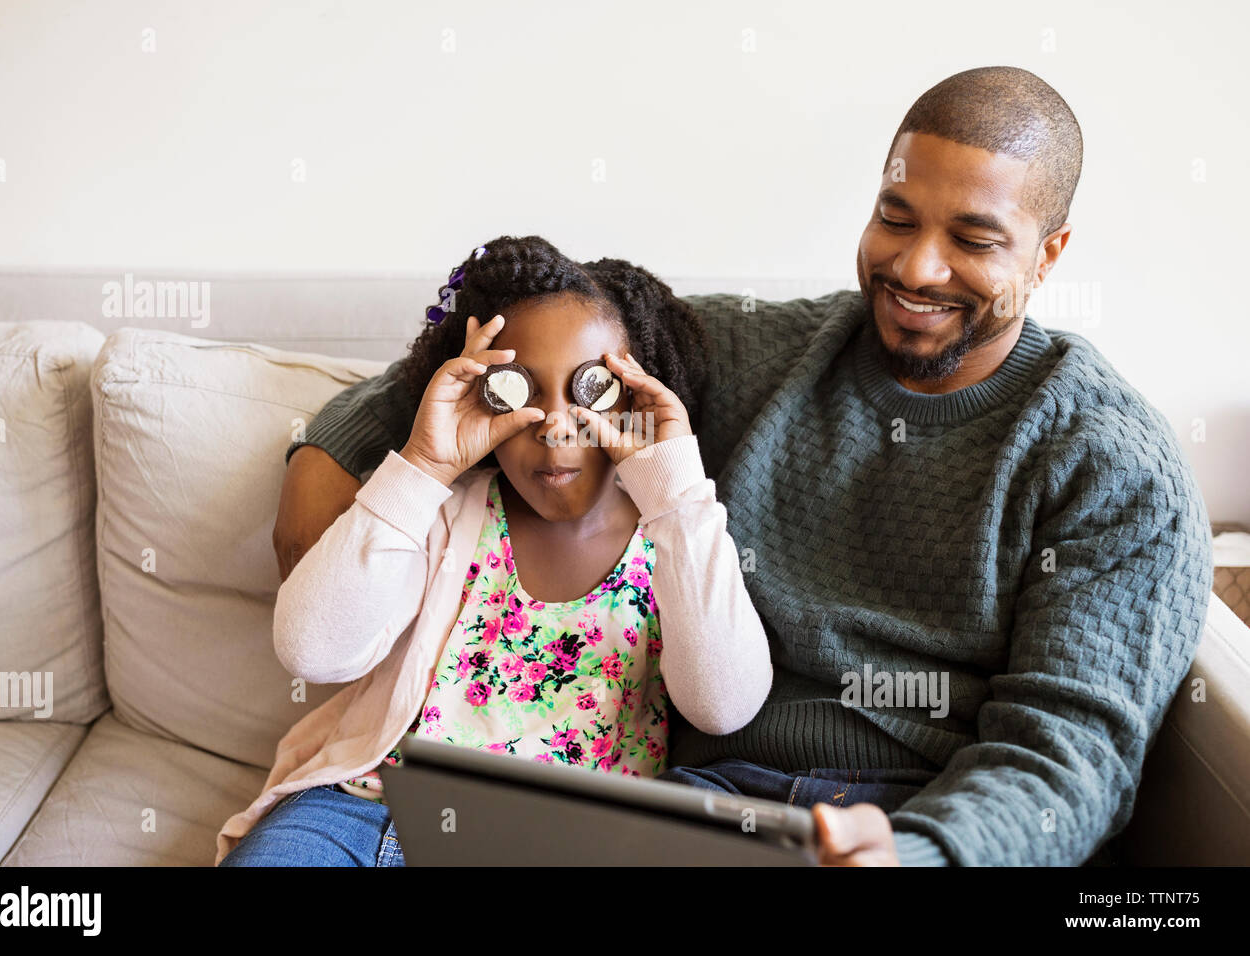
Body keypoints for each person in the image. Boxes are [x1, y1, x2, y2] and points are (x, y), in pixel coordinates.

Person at [266, 67, 1214, 866]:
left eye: (973, 240)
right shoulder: (754, 350)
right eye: (896, 218)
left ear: (1049, 254)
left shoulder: (1109, 462)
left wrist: (922, 852)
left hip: (914, 819)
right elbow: (525, 336)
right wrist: (334, 459)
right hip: (698, 805)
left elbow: (1070, 754)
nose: (918, 269)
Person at [217, 236, 773, 865]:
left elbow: (725, 705)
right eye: (519, 390)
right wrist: (423, 466)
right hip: (361, 814)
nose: (555, 424)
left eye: (592, 388)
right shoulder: (441, 511)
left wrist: (676, 495)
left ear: (641, 392)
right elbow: (310, 650)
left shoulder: (675, 536)